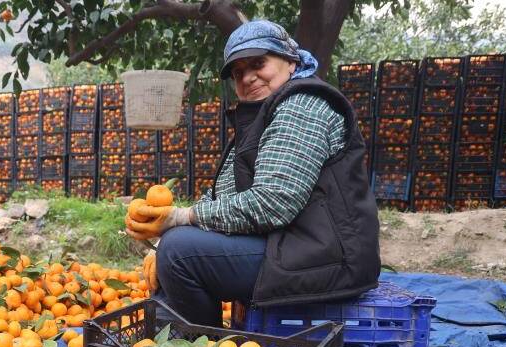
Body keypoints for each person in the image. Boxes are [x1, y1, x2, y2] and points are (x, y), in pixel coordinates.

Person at [128, 20, 380, 327]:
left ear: (290, 61)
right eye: (238, 72)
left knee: (180, 253)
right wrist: (163, 234)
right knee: (173, 250)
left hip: (326, 258)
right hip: (291, 245)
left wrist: (182, 220)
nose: (248, 77)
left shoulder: (303, 105)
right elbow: (225, 194)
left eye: (258, 63)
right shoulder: (265, 113)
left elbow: (272, 203)